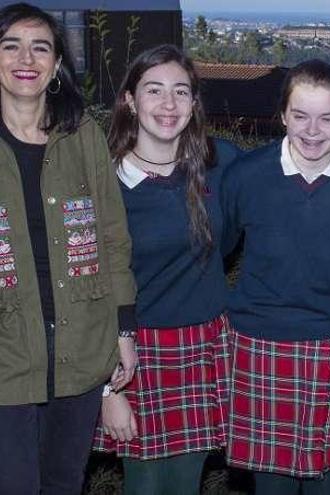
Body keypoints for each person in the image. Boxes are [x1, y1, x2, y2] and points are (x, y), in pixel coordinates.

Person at [222, 59, 330, 494]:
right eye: (300, 116)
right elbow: (216, 251)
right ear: (282, 115)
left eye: (327, 118)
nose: (313, 130)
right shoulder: (245, 176)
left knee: (329, 486)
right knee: (271, 486)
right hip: (262, 346)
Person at [91, 44, 240, 495]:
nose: (169, 104)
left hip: (204, 346)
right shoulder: (102, 181)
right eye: (154, 90)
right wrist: (108, 391)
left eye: (181, 92)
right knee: (145, 486)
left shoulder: (223, 163)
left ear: (195, 103)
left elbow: (301, 155)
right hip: (133, 355)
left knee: (185, 484)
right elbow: (87, 290)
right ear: (130, 101)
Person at [0, 3, 137, 493]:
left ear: (57, 64)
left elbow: (112, 237)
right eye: (11, 44)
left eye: (41, 46)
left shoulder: (82, 136)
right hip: (8, 347)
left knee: (62, 481)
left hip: (80, 342)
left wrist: (124, 330)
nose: (26, 57)